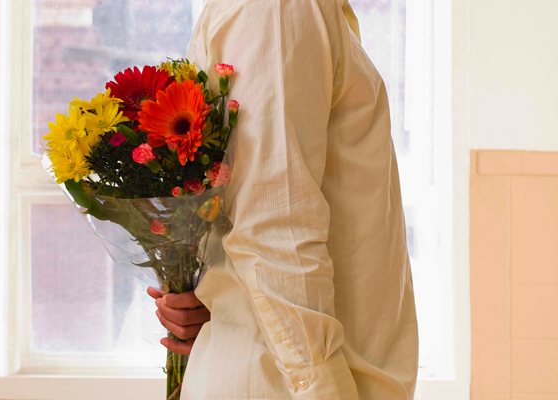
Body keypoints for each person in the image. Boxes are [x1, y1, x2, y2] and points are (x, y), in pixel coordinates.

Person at [149, 0, 419, 398]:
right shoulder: (280, 8)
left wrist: (220, 293)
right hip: (290, 384)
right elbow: (275, 226)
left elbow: (258, 201)